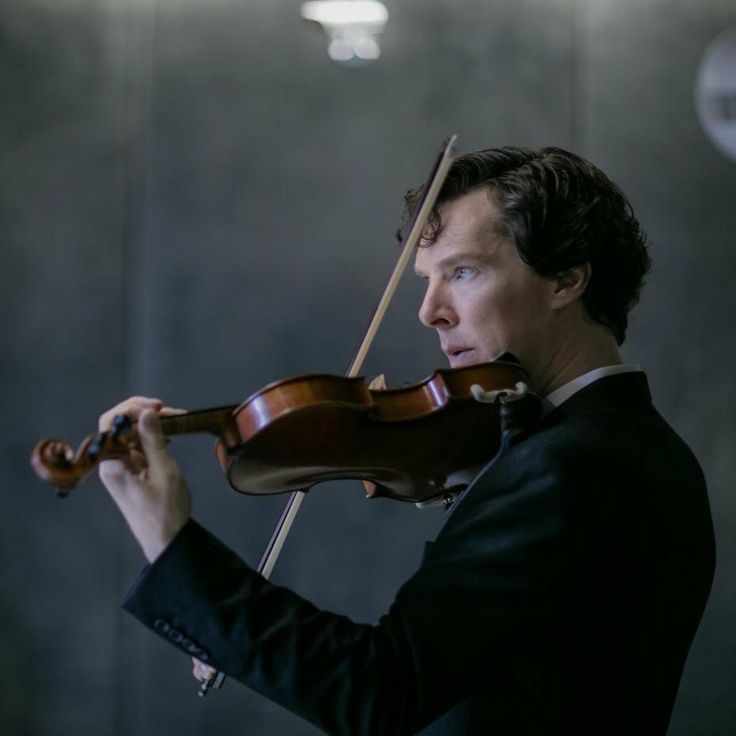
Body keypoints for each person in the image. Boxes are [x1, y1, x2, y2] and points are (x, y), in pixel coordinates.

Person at [99, 147, 715, 735]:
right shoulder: (625, 447)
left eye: (463, 272)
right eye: (425, 279)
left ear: (567, 279)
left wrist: (172, 542)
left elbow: (380, 691)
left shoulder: (571, 465)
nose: (430, 312)